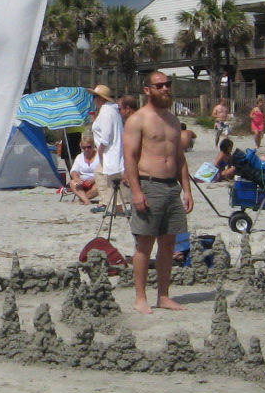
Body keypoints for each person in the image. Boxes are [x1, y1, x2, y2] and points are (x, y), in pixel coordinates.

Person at [123, 70, 192, 313]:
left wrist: (187, 190)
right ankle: (141, 298)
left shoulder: (173, 121)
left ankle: (163, 295)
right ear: (147, 90)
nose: (165, 89)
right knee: (145, 243)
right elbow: (129, 157)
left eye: (168, 85)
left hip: (170, 187)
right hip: (148, 184)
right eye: (159, 85)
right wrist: (137, 191)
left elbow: (180, 158)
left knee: (169, 242)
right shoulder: (138, 120)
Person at [89, 85, 125, 216]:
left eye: (94, 97)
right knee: (105, 177)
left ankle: (117, 208)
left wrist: (100, 150)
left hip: (110, 151)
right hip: (114, 150)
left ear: (100, 99)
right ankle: (111, 205)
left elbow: (106, 135)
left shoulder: (105, 112)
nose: (93, 100)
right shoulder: (112, 110)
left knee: (113, 180)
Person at [67, 138, 100, 208]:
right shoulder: (79, 157)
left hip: (96, 180)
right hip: (83, 181)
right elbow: (74, 171)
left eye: (89, 147)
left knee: (99, 185)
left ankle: (83, 199)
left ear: (93, 146)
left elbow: (103, 171)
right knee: (73, 182)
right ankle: (86, 201)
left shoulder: (99, 156)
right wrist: (77, 179)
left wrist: (93, 179)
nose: (86, 150)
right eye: (84, 148)